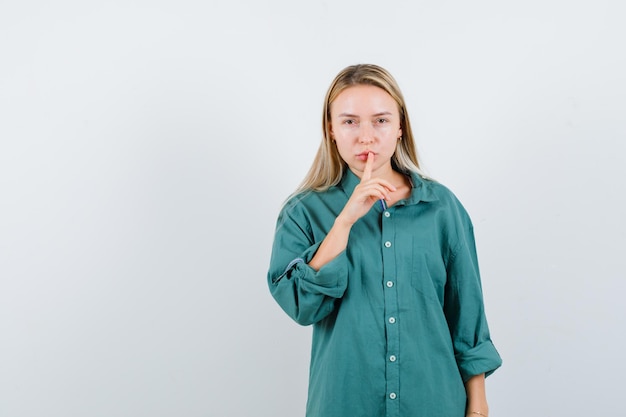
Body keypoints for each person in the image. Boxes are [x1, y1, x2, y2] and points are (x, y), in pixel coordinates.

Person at [267, 64, 502, 417]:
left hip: (434, 403)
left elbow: (467, 313)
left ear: (400, 127)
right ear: (331, 129)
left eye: (380, 120)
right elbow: (301, 306)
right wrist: (345, 221)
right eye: (349, 121)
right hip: (344, 403)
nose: (366, 136)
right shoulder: (304, 211)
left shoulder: (442, 208)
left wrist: (478, 404)